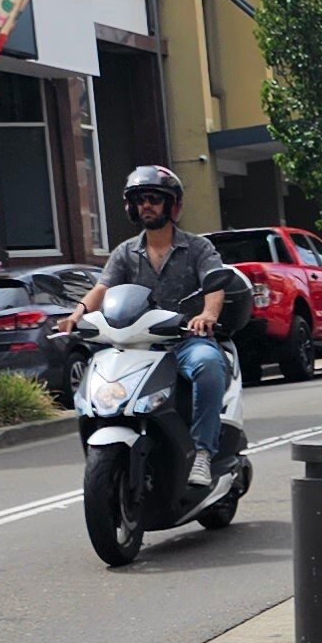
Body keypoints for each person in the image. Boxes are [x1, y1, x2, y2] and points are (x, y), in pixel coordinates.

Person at [73, 165, 234, 490]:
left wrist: (207, 314)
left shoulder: (198, 248)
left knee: (208, 365)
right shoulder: (124, 253)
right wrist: (76, 314)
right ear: (132, 207)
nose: (146, 205)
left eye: (154, 199)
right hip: (136, 344)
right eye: (140, 200)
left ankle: (202, 451)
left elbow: (215, 286)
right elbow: (102, 288)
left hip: (185, 340)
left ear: (171, 205)